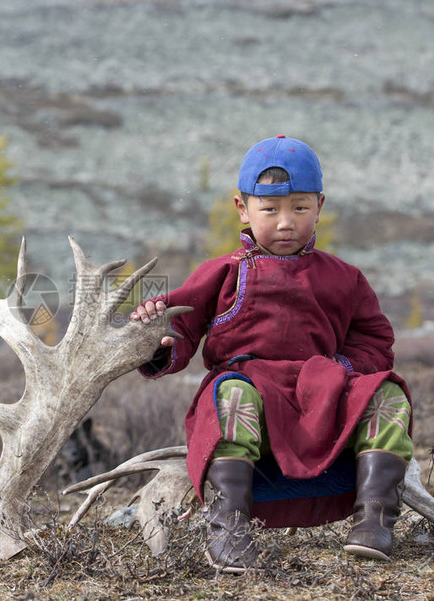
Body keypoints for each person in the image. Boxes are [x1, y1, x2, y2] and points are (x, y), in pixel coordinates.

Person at [131, 135, 413, 572]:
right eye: (270, 209)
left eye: (300, 208)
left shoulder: (345, 278)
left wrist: (341, 370)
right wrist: (156, 338)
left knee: (387, 393)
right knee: (230, 397)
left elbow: (375, 342)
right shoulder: (222, 272)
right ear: (243, 209)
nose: (286, 223)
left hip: (320, 392)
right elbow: (180, 325)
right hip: (250, 391)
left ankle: (374, 518)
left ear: (320, 205)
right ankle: (228, 528)